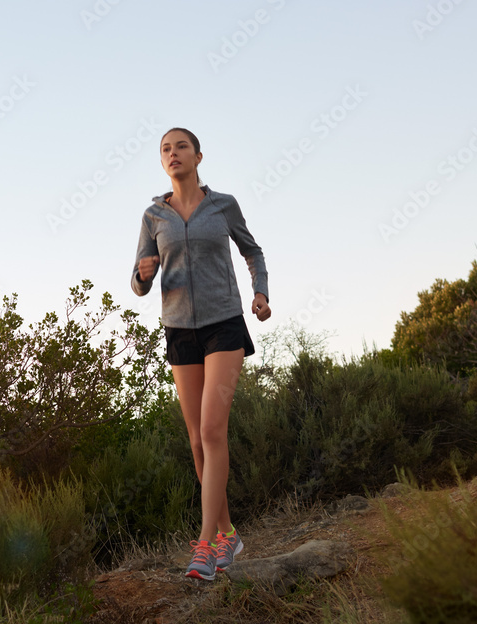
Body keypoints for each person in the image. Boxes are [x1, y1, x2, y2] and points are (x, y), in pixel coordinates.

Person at [131, 127, 271, 581]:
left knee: (212, 430)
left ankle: (206, 544)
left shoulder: (223, 205)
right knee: (196, 439)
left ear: (198, 156)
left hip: (224, 323)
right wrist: (143, 274)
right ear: (162, 162)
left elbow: (252, 251)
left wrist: (260, 292)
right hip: (179, 330)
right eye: (165, 149)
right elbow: (137, 284)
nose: (173, 153)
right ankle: (228, 533)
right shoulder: (154, 215)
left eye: (181, 147)